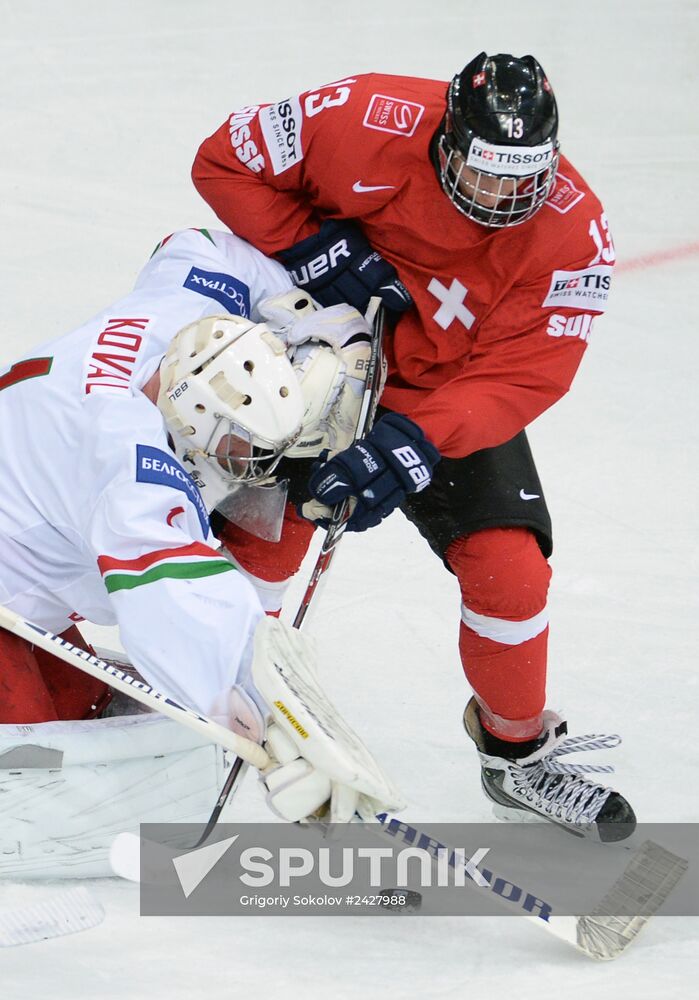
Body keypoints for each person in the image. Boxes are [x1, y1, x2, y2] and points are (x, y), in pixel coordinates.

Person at [191, 52, 634, 840]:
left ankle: (516, 755)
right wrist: (315, 248)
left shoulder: (574, 232)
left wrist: (413, 440)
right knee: (263, 548)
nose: (502, 198)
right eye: (486, 173)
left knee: (510, 573)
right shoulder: (363, 114)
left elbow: (523, 375)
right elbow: (224, 162)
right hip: (316, 362)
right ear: (446, 140)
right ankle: (203, 703)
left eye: (522, 179)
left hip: (448, 398)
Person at [0, 226, 401, 839]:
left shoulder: (192, 315)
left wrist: (311, 320)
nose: (253, 470)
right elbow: (176, 602)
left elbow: (195, 244)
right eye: (242, 450)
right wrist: (277, 727)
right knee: (32, 785)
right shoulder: (127, 464)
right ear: (192, 414)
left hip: (21, 574)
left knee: (81, 718)